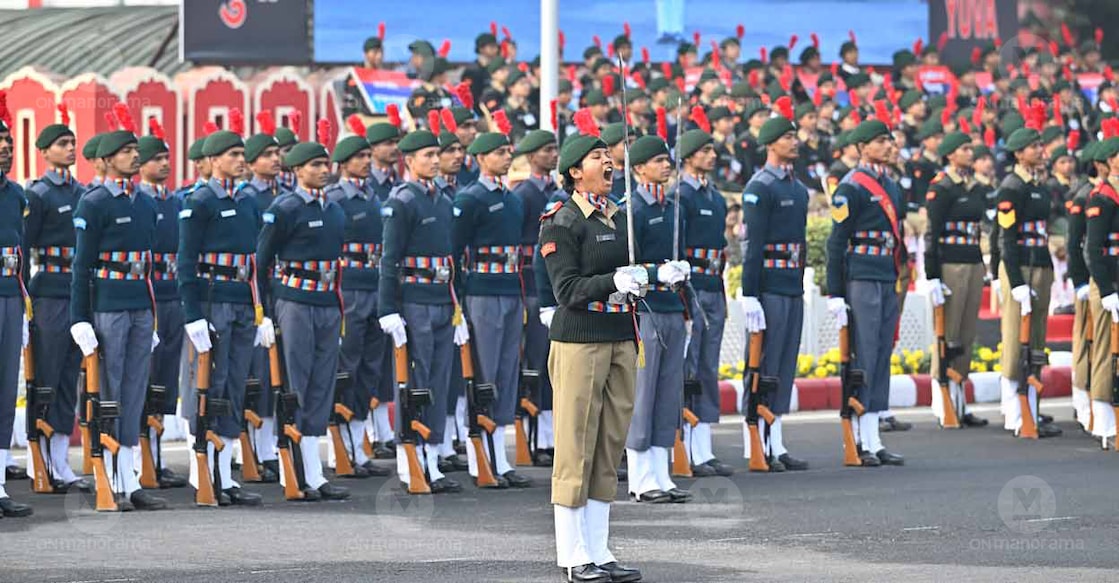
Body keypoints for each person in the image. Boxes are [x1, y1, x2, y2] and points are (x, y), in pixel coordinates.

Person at [540, 130, 643, 583]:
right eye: (597, 157)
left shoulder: (619, 217)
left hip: (621, 335)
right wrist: (614, 282)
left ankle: (599, 549)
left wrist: (657, 275)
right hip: (581, 340)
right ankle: (573, 554)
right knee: (576, 444)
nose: (608, 162)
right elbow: (567, 290)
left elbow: (629, 271)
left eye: (609, 155)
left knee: (609, 446)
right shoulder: (562, 222)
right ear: (574, 171)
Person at [69, 115, 167, 510]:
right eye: (126, 152)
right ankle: (105, 476)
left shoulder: (145, 202)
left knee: (134, 390)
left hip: (140, 305)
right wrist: (80, 318)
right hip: (108, 304)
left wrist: (153, 314)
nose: (134, 156)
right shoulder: (93, 203)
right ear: (107, 160)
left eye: (134, 151)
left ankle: (129, 478)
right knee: (107, 392)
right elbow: (81, 266)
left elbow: (148, 263)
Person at [256, 138, 352, 501]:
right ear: (296, 171)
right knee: (296, 383)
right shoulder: (285, 208)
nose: (323, 170)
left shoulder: (335, 210)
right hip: (294, 301)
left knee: (322, 384)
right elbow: (261, 264)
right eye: (314, 165)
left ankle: (314, 470)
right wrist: (262, 312)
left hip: (327, 302)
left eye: (325, 164)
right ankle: (291, 471)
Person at [177, 129, 266, 506]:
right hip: (214, 301)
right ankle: (203, 471)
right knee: (208, 387)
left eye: (241, 153)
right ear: (212, 161)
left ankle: (224, 474)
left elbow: (256, 262)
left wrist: (262, 311)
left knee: (233, 385)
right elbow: (185, 262)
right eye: (231, 154)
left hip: (242, 300)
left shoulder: (248, 201)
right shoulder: (199, 202)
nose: (239, 160)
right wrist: (193, 314)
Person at [378, 129, 464, 494]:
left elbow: (453, 260)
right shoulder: (402, 201)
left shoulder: (443, 200)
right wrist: (388, 309)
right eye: (427, 155)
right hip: (414, 302)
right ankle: (408, 457)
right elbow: (389, 259)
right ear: (409, 160)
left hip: (442, 300)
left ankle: (432, 457)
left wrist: (458, 309)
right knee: (415, 382)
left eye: (436, 154)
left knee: (440, 381)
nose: (434, 160)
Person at [453, 129, 532, 488]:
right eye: (499, 152)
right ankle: (478, 457)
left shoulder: (514, 200)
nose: (505, 157)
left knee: (506, 373)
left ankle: (499, 455)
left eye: (507, 152)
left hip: (509, 289)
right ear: (481, 158)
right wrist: (458, 303)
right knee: (482, 374)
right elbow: (455, 253)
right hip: (482, 291)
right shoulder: (470, 199)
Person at [825, 119, 906, 467]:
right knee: (865, 356)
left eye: (889, 140)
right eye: (880, 141)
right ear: (861, 148)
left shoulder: (892, 184)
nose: (889, 146)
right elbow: (836, 242)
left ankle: (874, 435)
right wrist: (835, 293)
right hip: (861, 276)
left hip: (886, 274)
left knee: (882, 354)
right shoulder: (850, 187)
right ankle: (857, 435)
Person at [740, 116, 811, 472]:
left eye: (795, 136)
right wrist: (749, 293)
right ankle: (754, 435)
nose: (794, 142)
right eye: (786, 137)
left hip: (791, 283)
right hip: (767, 284)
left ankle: (776, 439)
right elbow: (752, 246)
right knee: (762, 363)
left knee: (784, 363)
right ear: (770, 144)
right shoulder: (760, 187)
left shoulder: (798, 190)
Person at [23, 119, 91, 493]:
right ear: (45, 151)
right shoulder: (38, 195)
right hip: (48, 288)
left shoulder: (83, 192)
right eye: (62, 143)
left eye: (72, 143)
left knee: (70, 376)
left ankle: (61, 459)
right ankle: (40, 457)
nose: (69, 149)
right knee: (46, 375)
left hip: (76, 289)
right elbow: (24, 242)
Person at [623, 134, 692, 503]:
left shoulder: (674, 206)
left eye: (667, 159)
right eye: (657, 160)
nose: (666, 164)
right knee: (643, 392)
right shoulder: (631, 208)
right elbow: (624, 265)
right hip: (646, 308)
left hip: (671, 306)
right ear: (638, 168)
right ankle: (640, 476)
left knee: (668, 392)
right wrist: (654, 271)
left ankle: (661, 472)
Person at [325, 129, 393, 478]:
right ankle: (341, 448)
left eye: (368, 156)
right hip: (348, 287)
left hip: (373, 285)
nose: (367, 162)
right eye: (359, 157)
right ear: (344, 163)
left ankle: (359, 445)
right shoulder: (335, 196)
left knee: (370, 368)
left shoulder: (372, 196)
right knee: (346, 365)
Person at [996, 127, 1062, 438]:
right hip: (1020, 265)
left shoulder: (1040, 185)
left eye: (1040, 146)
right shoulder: (1011, 187)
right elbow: (1006, 238)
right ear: (1019, 153)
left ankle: (1031, 407)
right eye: (1034, 147)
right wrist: (1015, 279)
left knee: (1035, 337)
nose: (1040, 151)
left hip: (1040, 263)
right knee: (1014, 337)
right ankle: (1014, 409)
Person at [923, 132, 990, 428]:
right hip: (950, 265)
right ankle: (942, 401)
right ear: (950, 154)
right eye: (964, 149)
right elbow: (931, 234)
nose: (970, 152)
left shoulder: (976, 187)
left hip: (973, 262)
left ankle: (960, 399)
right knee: (947, 334)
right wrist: (932, 275)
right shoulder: (942, 187)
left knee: (966, 334)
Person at [134, 131, 189, 489]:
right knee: (144, 377)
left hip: (173, 294)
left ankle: (155, 456)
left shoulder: (174, 202)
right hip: (148, 293)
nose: (164, 163)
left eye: (167, 157)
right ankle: (141, 460)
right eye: (157, 158)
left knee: (165, 380)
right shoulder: (137, 200)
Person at [678, 128, 732, 477]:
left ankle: (704, 445)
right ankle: (685, 445)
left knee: (708, 364)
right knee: (690, 366)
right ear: (688, 157)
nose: (712, 155)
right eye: (704, 150)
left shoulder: (715, 197)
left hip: (713, 283)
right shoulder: (681, 196)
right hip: (692, 285)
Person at [241, 116, 292, 482]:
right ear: (251, 160)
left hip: (286, 288)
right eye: (268, 153)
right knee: (257, 372)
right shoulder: (247, 198)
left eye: (278, 152)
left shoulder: (285, 196)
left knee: (282, 373)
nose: (276, 159)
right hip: (257, 290)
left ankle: (273, 445)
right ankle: (254, 447)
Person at [511, 130, 559, 466]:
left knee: (555, 365)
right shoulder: (524, 195)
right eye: (546, 150)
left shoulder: (558, 193)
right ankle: (536, 437)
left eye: (555, 149)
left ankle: (551, 434)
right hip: (531, 286)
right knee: (536, 364)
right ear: (531, 157)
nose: (553, 154)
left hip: (556, 286)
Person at [0, 113, 33, 516]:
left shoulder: (16, 195)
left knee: (6, 391)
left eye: (8, 142)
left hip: (9, 294)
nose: (5, 148)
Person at [1084, 136, 1119, 449]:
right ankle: (1105, 420)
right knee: (1107, 351)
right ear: (1110, 161)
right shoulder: (1101, 198)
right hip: (1110, 283)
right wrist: (1106, 289)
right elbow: (1093, 249)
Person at [1067, 142, 1099, 432]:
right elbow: (1075, 245)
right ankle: (1082, 398)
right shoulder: (1084, 195)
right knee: (1085, 341)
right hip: (1089, 277)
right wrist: (1078, 281)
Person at [367, 122, 401, 201]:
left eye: (397, 142)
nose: (396, 147)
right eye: (389, 143)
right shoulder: (365, 185)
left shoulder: (401, 182)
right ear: (372, 149)